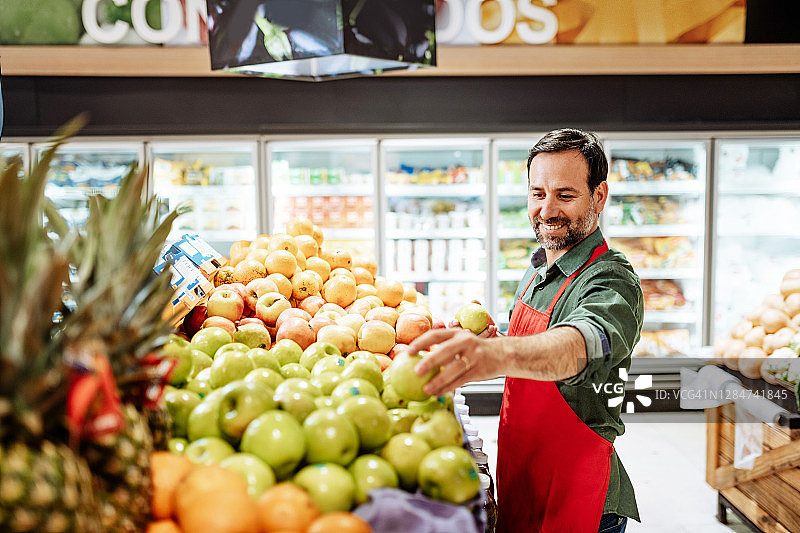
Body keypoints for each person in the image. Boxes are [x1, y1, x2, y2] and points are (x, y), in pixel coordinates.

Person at [407, 128, 643, 533]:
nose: (547, 209)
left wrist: (498, 356)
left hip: (579, 499)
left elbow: (581, 345)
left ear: (599, 196)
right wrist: (491, 345)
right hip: (523, 473)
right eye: (538, 193)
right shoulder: (538, 268)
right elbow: (532, 353)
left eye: (565, 195)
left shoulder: (611, 281)